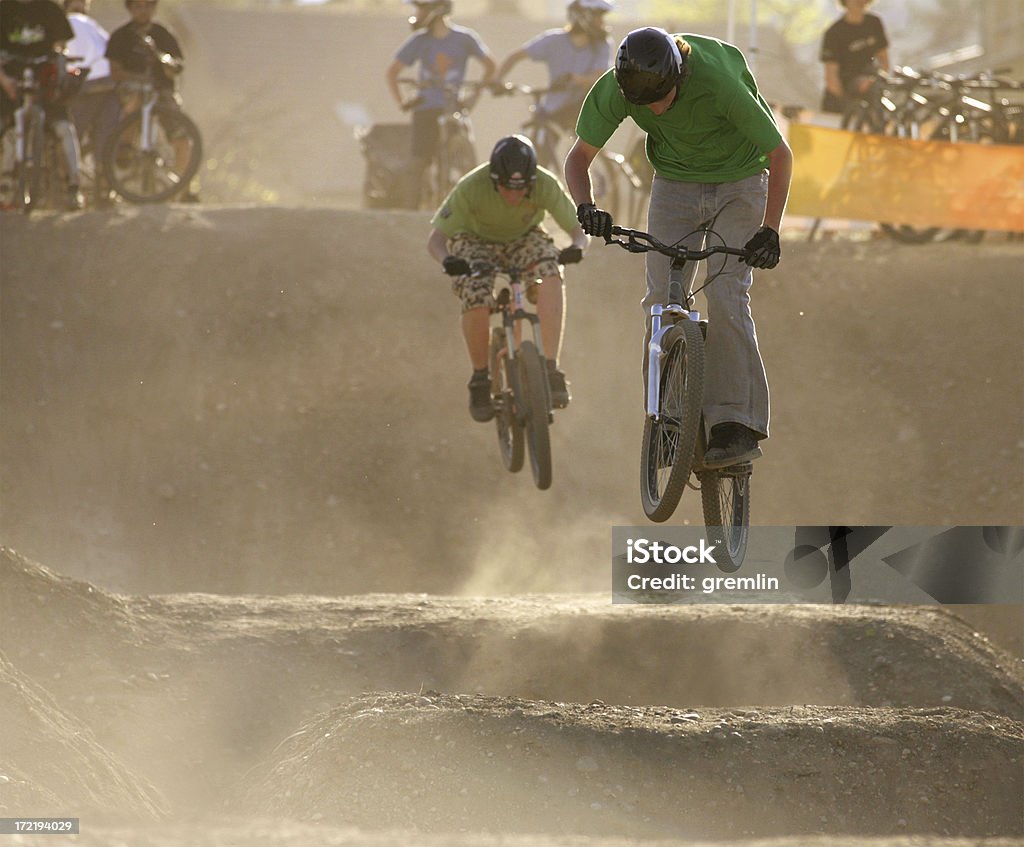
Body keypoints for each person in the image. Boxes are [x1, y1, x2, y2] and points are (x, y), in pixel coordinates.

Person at [564, 27, 792, 469]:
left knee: (726, 294)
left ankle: (735, 422)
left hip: (741, 180)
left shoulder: (718, 84)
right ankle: (665, 418)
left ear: (680, 75)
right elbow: (578, 158)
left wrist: (770, 230)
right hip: (674, 184)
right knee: (659, 300)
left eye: (663, 98)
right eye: (643, 104)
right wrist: (586, 206)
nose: (654, 109)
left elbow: (781, 154)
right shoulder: (619, 87)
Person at [427, 134, 588, 422]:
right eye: (506, 188)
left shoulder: (544, 182)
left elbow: (578, 231)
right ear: (493, 178)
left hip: (524, 238)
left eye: (521, 190)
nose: (513, 197)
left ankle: (551, 368)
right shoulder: (471, 186)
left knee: (551, 271)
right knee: (476, 295)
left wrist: (576, 248)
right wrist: (447, 260)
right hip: (475, 241)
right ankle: (479, 378)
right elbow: (436, 240)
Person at [385, 0, 495, 209]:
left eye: (421, 8)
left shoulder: (465, 38)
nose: (417, 13)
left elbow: (490, 66)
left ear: (437, 10)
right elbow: (392, 72)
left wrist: (475, 95)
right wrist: (403, 102)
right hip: (426, 107)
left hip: (454, 106)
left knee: (466, 148)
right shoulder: (419, 41)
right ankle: (411, 211)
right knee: (418, 160)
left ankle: (475, 205)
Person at [492, 0, 612, 166]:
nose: (602, 23)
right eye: (598, 17)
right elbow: (516, 56)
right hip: (554, 107)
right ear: (583, 17)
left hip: (583, 104)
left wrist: (575, 79)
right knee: (540, 151)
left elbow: (601, 77)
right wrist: (497, 79)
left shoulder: (601, 44)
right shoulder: (554, 40)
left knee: (583, 148)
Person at [105, 0, 197, 201]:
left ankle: (183, 189)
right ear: (130, 9)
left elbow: (176, 67)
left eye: (147, 6)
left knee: (182, 138)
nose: (143, 11)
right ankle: (126, 146)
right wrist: (139, 79)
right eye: (138, 6)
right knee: (136, 99)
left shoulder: (163, 35)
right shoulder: (121, 37)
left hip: (161, 91)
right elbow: (115, 72)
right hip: (132, 89)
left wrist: (166, 63)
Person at [0, 0, 85, 209]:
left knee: (64, 128)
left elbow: (62, 44)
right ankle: (5, 184)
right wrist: (4, 79)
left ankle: (74, 187)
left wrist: (57, 64)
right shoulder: (4, 9)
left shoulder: (50, 9)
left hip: (44, 78)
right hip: (9, 76)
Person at [63, 0, 118, 203]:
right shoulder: (84, 23)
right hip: (104, 84)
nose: (80, 8)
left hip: (86, 86)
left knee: (73, 138)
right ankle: (104, 189)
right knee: (106, 136)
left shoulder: (84, 23)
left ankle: (72, 188)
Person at [820, 0, 890, 115]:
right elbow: (831, 78)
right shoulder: (834, 32)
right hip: (842, 91)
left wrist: (878, 81)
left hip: (870, 86)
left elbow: (884, 60)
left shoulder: (874, 23)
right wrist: (847, 103)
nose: (859, 2)